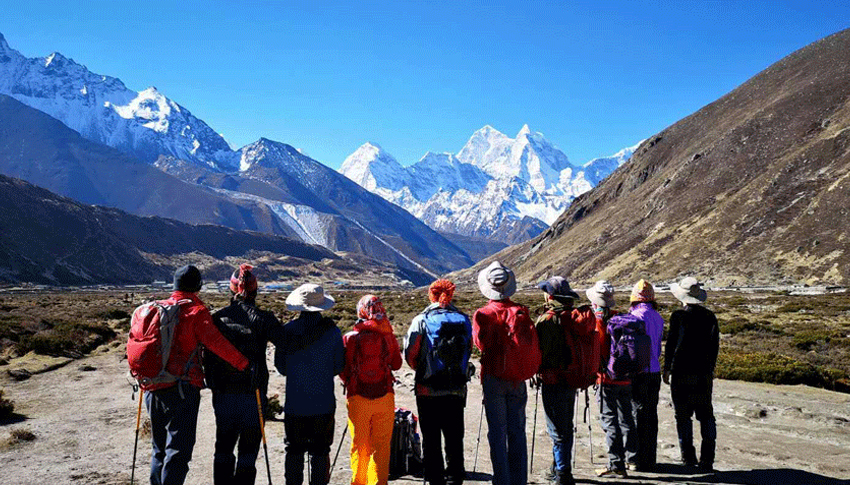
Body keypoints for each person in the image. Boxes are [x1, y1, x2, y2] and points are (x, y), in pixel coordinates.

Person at [144, 265, 250, 485]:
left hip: (152, 386)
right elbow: (216, 344)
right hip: (181, 389)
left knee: (159, 449)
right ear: (198, 286)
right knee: (178, 452)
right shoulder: (195, 312)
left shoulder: (156, 309)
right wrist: (244, 364)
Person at [205, 264, 286, 485]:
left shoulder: (217, 319)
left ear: (231, 291)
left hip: (223, 394)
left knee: (223, 445)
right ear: (255, 290)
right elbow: (286, 343)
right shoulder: (264, 318)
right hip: (254, 393)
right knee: (249, 450)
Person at [473, 261, 540, 485]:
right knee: (517, 431)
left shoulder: (483, 314)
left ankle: (502, 480)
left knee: (497, 434)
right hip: (518, 377)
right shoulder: (521, 311)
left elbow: (481, 344)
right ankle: (519, 480)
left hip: (494, 377)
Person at [404, 279, 473, 485]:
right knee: (454, 437)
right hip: (456, 387)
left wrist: (425, 370)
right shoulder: (463, 319)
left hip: (428, 389)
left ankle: (435, 479)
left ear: (430, 295)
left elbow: (411, 355)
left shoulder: (421, 320)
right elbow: (468, 349)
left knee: (431, 439)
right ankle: (454, 477)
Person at [275, 283, 345, 485]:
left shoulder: (287, 332)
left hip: (295, 404)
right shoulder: (332, 332)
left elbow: (281, 367)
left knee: (294, 451)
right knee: (321, 452)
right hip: (323, 403)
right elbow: (338, 366)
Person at [341, 294, 403, 485]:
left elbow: (344, 370)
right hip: (384, 396)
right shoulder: (388, 335)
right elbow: (397, 364)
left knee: (360, 446)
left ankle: (359, 482)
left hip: (357, 397)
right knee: (381, 447)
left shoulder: (351, 337)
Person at [664, 277, 719, 472]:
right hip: (703, 373)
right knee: (706, 416)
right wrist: (710, 369)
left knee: (683, 416)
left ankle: (688, 456)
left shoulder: (678, 316)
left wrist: (667, 368)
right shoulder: (710, 317)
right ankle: (707, 458)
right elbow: (714, 347)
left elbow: (671, 344)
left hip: (681, 372)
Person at [533, 277, 582, 485]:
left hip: (553, 379)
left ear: (550, 295)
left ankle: (563, 473)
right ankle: (559, 467)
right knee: (566, 424)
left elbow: (538, 352)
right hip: (572, 378)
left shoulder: (547, 320)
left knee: (556, 428)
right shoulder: (574, 315)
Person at [589, 280, 636, 478]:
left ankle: (616, 463)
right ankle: (632, 458)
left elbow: (597, 351)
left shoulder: (598, 322)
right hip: (625, 378)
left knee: (610, 421)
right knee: (626, 418)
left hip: (606, 379)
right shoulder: (622, 318)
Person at [627, 279, 664, 472]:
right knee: (651, 414)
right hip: (654, 370)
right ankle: (650, 457)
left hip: (638, 372)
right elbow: (657, 347)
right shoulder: (658, 317)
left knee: (636, 414)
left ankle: (635, 458)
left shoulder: (633, 317)